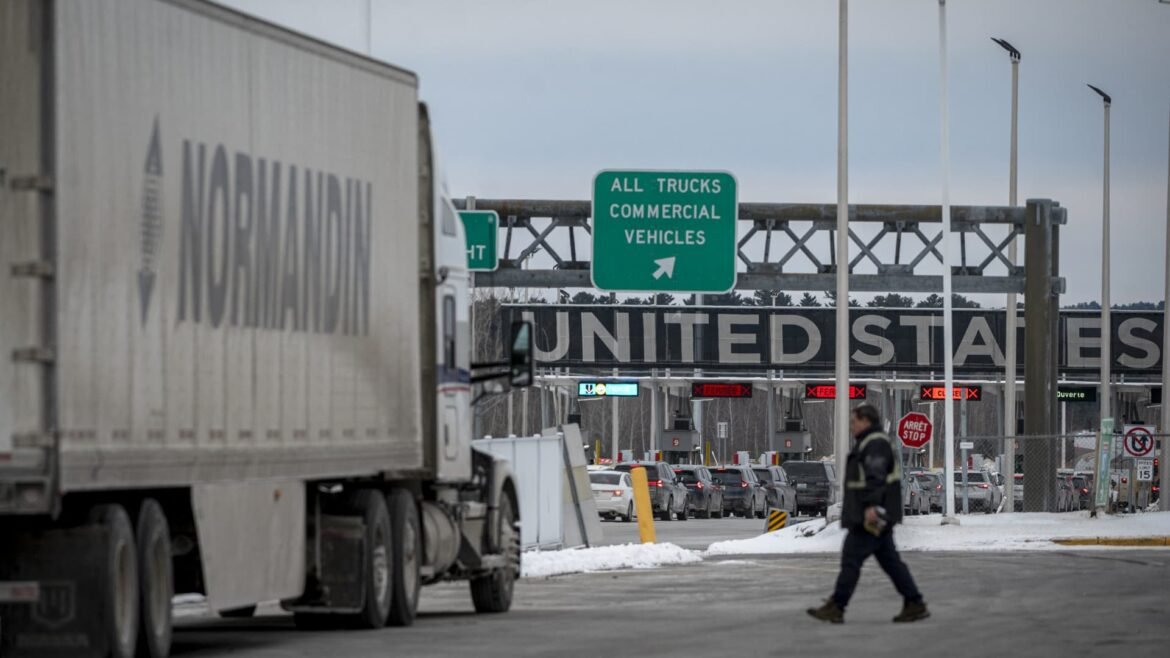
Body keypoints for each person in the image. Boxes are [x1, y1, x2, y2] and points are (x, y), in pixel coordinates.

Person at [807, 404, 929, 624]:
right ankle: (914, 602)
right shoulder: (871, 442)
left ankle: (837, 606)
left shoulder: (875, 444)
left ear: (866, 421)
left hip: (871, 515)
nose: (851, 426)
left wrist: (872, 506)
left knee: (851, 559)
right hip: (876, 513)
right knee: (890, 562)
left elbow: (875, 476)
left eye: (854, 422)